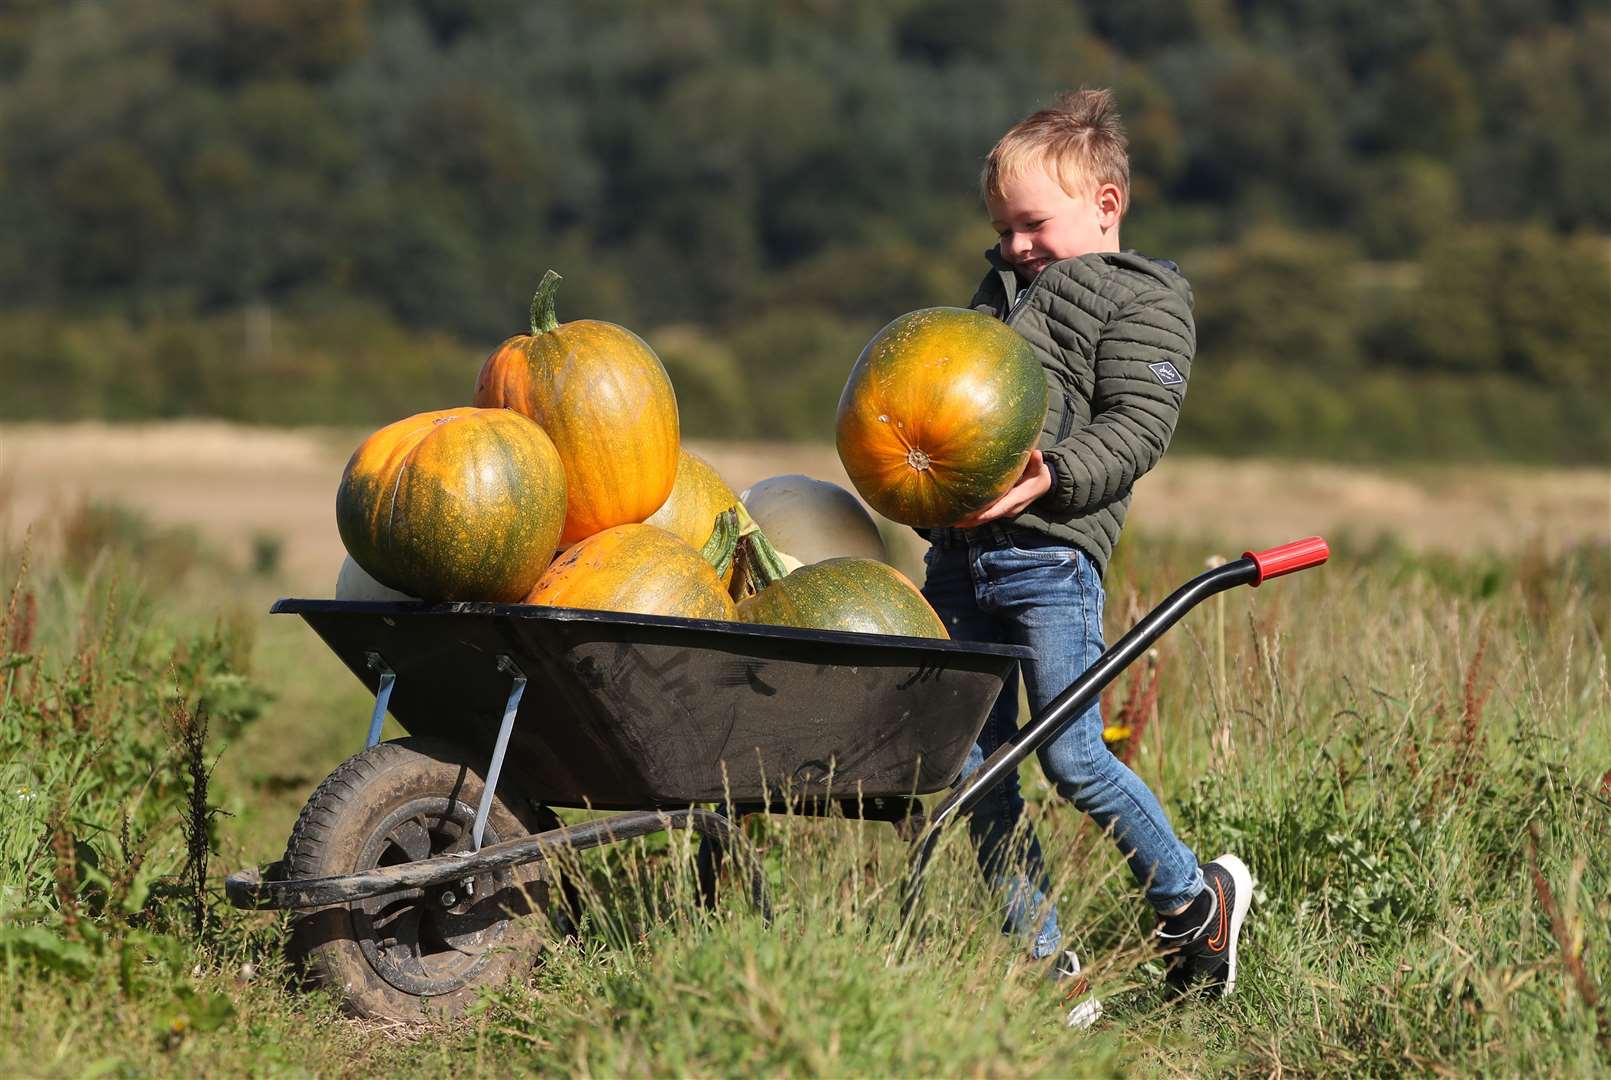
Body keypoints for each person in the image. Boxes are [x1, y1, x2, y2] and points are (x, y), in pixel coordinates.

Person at [918, 89, 1250, 1023]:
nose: (1016, 245)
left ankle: (1195, 900)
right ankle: (1044, 974)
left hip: (1051, 559)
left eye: (1032, 223)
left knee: (1068, 754)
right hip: (959, 563)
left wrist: (1052, 476)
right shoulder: (990, 304)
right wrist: (926, 494)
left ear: (1105, 206)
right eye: (1001, 228)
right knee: (971, 774)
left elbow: (1137, 427)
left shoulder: (1144, 298)